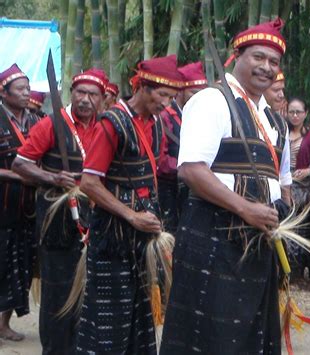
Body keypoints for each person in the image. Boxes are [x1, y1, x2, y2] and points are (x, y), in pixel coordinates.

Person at [160, 18, 291, 354]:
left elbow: (283, 181)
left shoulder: (276, 120)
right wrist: (246, 207)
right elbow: (191, 170)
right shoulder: (212, 101)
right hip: (213, 238)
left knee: (251, 336)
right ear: (237, 57)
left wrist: (280, 216)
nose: (266, 67)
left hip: (259, 242)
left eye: (273, 62)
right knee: (210, 337)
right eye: (258, 57)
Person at [77, 55, 181, 354]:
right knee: (110, 315)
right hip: (112, 238)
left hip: (142, 240)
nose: (167, 104)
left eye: (172, 98)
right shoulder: (112, 123)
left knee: (139, 311)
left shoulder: (157, 124)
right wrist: (131, 216)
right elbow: (89, 183)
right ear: (144, 87)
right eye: (163, 96)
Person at [12, 68, 107, 354]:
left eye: (92, 94)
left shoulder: (105, 125)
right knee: (58, 288)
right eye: (80, 92)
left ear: (103, 99)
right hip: (57, 216)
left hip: (94, 214)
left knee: (89, 287)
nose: (85, 100)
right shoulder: (51, 124)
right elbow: (20, 163)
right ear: (71, 94)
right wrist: (52, 178)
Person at [0, 64, 40, 342]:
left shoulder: (37, 120)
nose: (26, 93)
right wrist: (17, 175)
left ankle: (4, 323)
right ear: (4, 93)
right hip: (2, 205)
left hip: (29, 207)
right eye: (20, 89)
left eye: (28, 88)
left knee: (21, 264)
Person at [158, 61, 207, 233]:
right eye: (194, 93)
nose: (199, 98)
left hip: (192, 190)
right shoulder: (165, 117)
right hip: (168, 192)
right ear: (180, 91)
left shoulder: (203, 117)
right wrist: (189, 167)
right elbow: (161, 161)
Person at [287, 97, 310, 284]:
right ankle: (288, 270)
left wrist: (309, 170)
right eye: (291, 112)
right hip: (284, 185)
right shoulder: (280, 131)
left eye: (298, 112)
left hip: (303, 189)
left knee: (301, 231)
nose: (294, 116)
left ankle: (301, 272)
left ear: (305, 113)